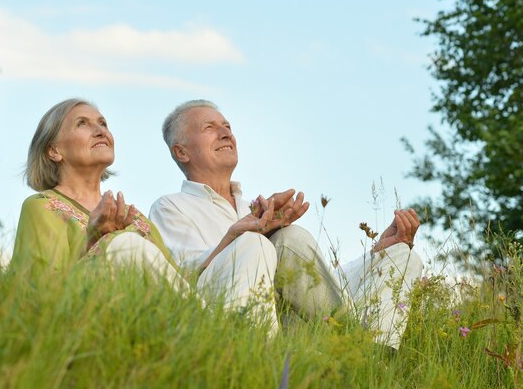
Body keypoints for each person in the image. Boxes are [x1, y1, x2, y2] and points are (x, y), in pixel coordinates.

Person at [149, 99, 424, 348]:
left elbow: (320, 284)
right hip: (226, 313)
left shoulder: (253, 208)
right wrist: (239, 234)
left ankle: (375, 355)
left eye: (228, 126)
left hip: (295, 314)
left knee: (401, 257)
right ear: (181, 152)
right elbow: (181, 274)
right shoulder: (170, 206)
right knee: (264, 241)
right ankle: (357, 345)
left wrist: (377, 253)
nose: (226, 133)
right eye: (210, 127)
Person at [12, 98, 185, 291]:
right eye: (82, 123)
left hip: (157, 312)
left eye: (103, 123)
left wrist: (224, 245)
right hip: (82, 316)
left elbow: (178, 281)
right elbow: (38, 290)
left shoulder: (133, 216)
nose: (101, 131)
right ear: (54, 151)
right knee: (125, 243)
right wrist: (94, 243)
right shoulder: (41, 206)